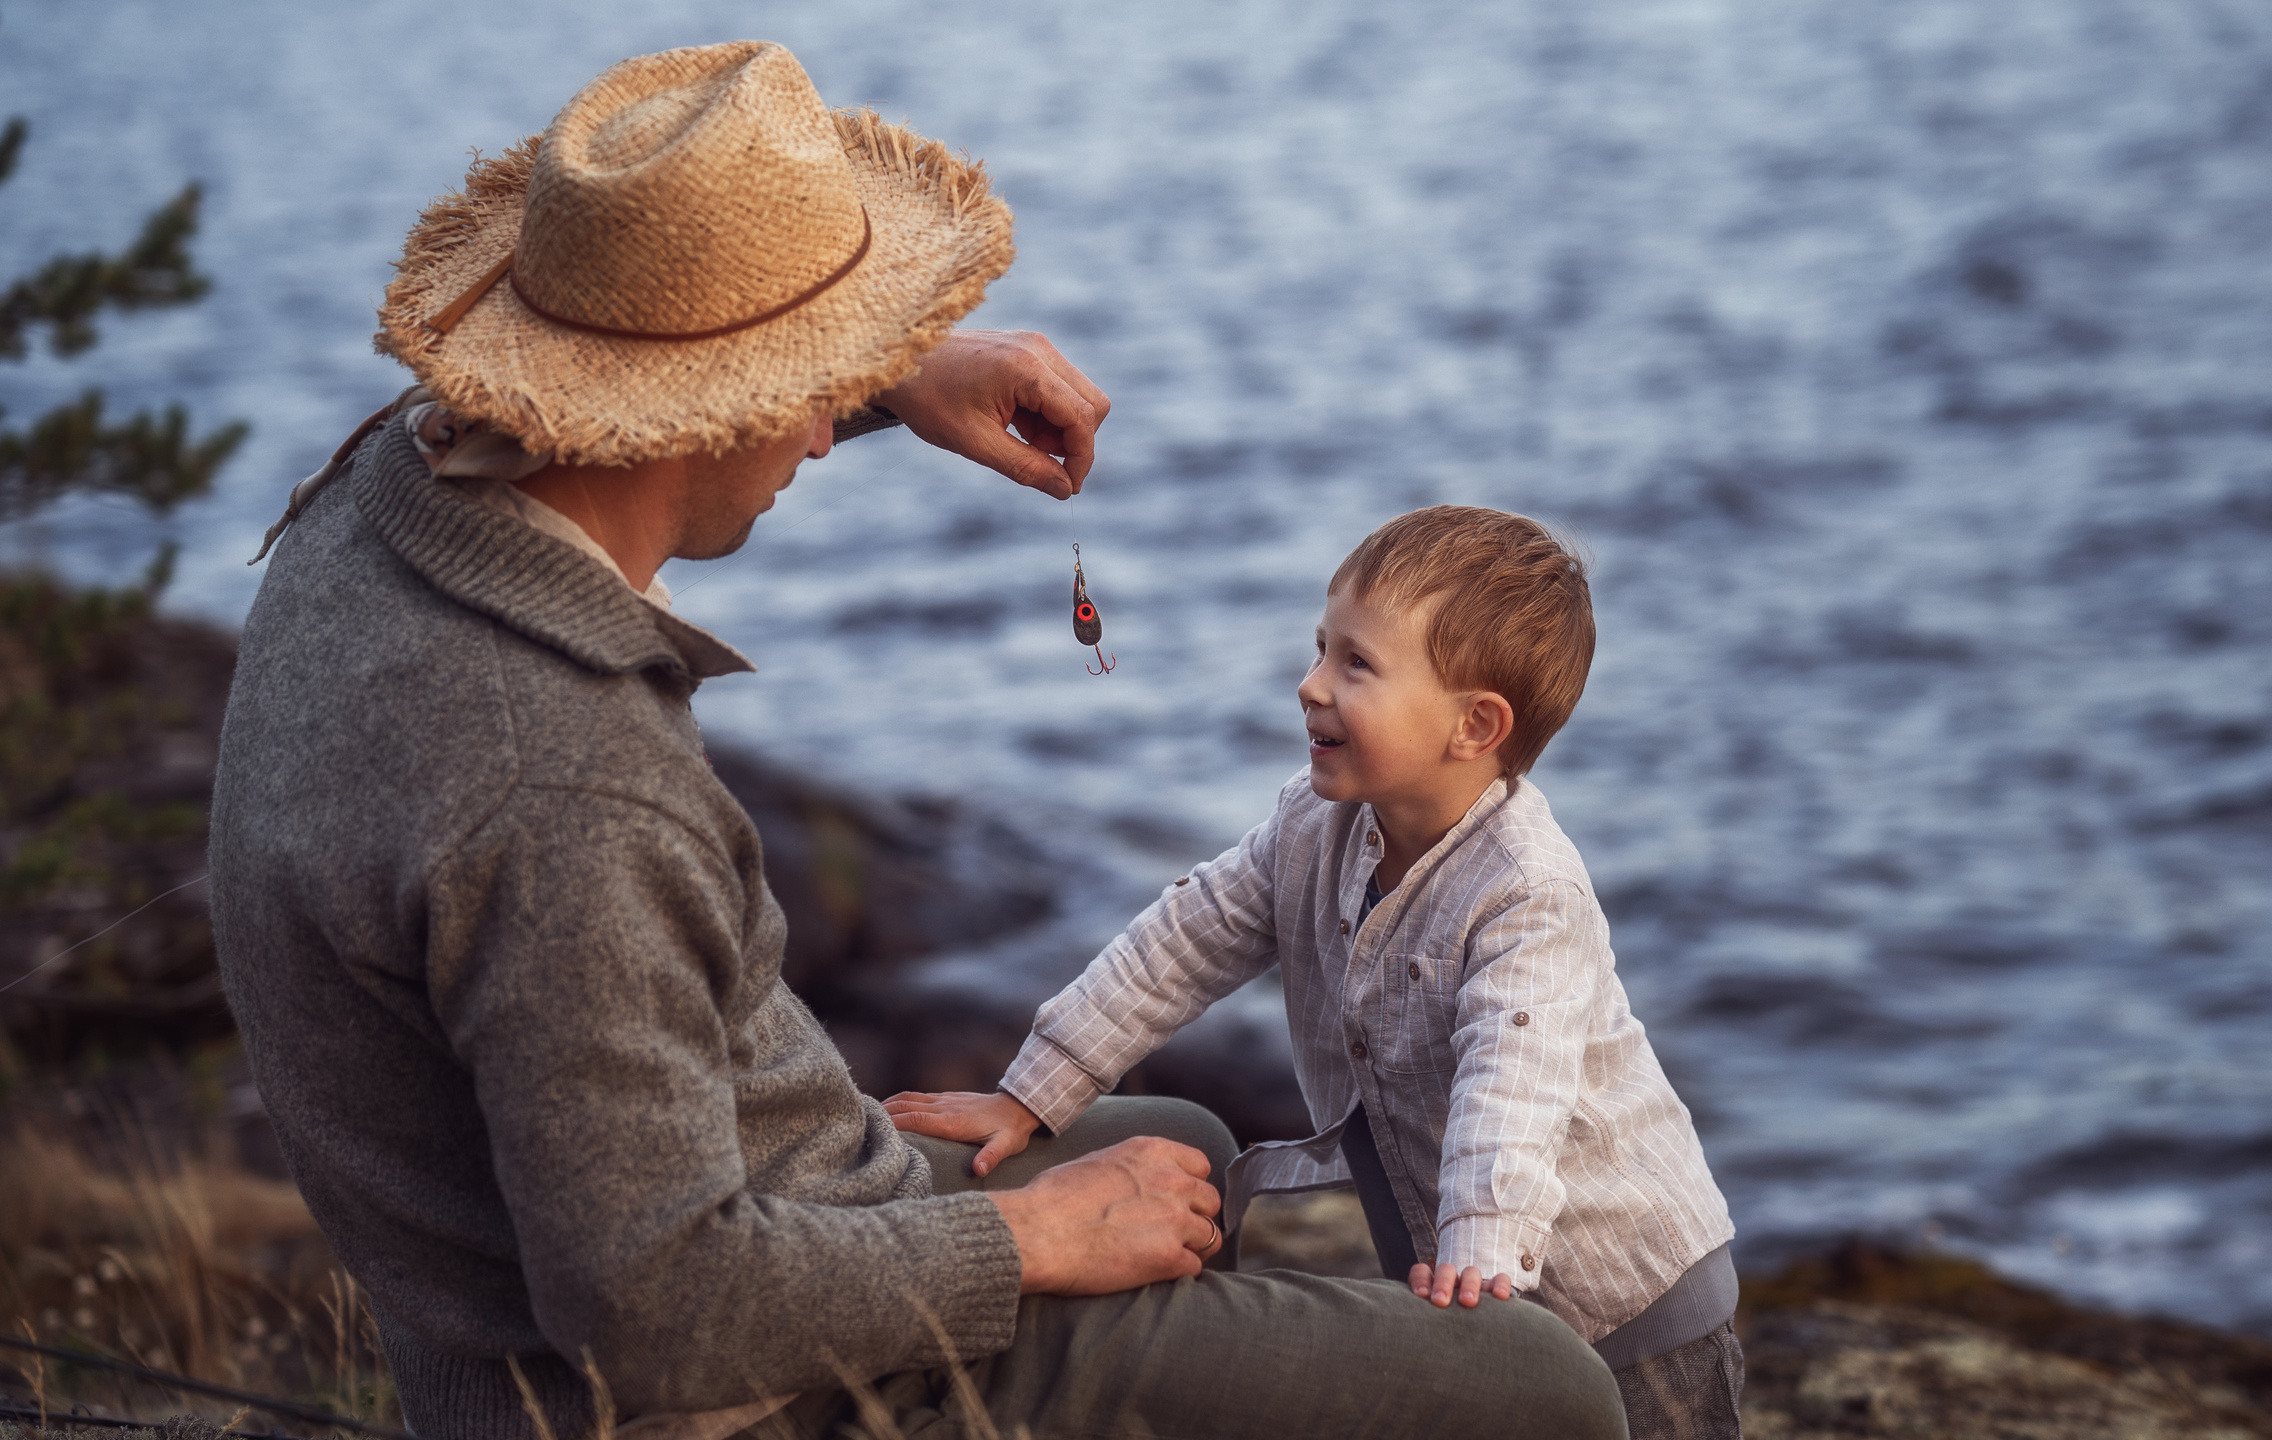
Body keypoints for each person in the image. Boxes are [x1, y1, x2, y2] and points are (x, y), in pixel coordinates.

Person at [209, 40, 1625, 1440]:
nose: (824, 433)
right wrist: (1032, 1242)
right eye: (812, 383)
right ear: (724, 405)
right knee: (1541, 1389)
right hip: (741, 1393)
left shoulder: (381, 498)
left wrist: (895, 376)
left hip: (652, 1250)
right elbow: (655, 1310)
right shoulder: (568, 785)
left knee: (1183, 1153)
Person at [888, 507, 1746, 1440]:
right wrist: (1033, 1094)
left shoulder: (1527, 893)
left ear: (1474, 725)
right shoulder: (1316, 824)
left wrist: (1480, 1256)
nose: (1309, 686)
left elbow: (1515, 1084)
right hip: (1463, 1268)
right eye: (1319, 649)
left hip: (1627, 1298)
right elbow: (1183, 940)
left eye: (1355, 665)